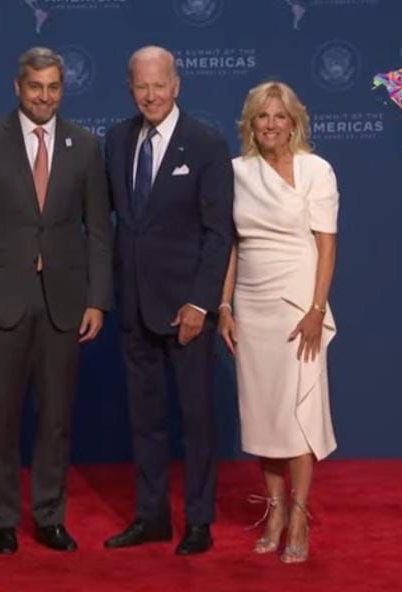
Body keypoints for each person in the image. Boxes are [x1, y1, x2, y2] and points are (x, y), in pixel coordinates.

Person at [0, 47, 112, 555]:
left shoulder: (84, 144)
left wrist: (97, 300)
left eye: (54, 88)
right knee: (0, 414)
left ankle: (48, 516)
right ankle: (2, 519)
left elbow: (100, 230)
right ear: (18, 88)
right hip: (1, 301)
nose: (45, 97)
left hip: (64, 301)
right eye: (36, 87)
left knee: (56, 418)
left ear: (63, 90)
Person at [103, 46, 234, 556]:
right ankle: (152, 516)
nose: (151, 95)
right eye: (141, 85)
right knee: (146, 421)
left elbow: (218, 233)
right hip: (134, 307)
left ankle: (199, 521)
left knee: (197, 421)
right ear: (130, 88)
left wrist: (201, 305)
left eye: (160, 84)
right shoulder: (115, 141)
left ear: (176, 84)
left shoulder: (205, 143)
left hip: (186, 314)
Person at [217, 80, 339, 563]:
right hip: (252, 306)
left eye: (279, 116)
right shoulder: (235, 173)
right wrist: (224, 306)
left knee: (297, 415)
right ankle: (273, 511)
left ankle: (300, 514)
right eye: (262, 116)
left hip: (298, 306)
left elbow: (327, 245)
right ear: (251, 122)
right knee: (266, 414)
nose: (270, 124)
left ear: (294, 122)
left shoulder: (317, 170)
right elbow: (231, 244)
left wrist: (315, 309)